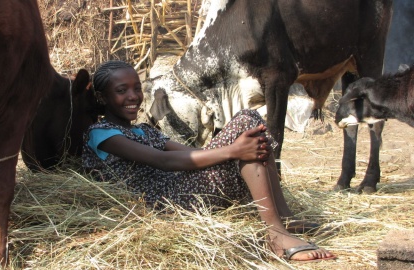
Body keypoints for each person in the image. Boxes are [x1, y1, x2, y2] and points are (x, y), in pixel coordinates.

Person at [82, 60, 336, 262]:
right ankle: (276, 235)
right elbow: (163, 161)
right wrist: (233, 150)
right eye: (121, 90)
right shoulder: (101, 134)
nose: (133, 96)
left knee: (248, 124)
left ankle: (285, 219)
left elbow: (187, 152)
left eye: (137, 87)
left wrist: (232, 147)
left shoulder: (145, 130)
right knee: (245, 125)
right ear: (103, 98)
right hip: (160, 203)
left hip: (179, 189)